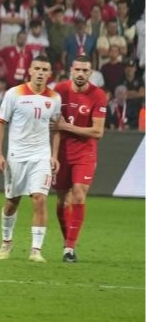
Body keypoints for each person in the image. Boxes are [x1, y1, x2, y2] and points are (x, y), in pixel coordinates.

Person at [0, 54, 61, 263]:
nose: (40, 73)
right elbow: (0, 123)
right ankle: (6, 242)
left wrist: (54, 156)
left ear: (50, 74)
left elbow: (56, 128)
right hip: (17, 156)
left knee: (40, 199)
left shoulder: (55, 98)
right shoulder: (14, 94)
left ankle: (36, 250)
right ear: (30, 70)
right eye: (37, 69)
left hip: (41, 156)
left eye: (44, 70)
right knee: (12, 201)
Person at [51, 56, 107, 262]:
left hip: (85, 152)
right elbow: (54, 126)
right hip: (62, 152)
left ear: (90, 73)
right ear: (71, 70)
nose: (81, 74)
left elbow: (98, 131)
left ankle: (69, 248)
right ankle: (68, 242)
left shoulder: (98, 95)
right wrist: (53, 155)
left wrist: (67, 127)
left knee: (79, 194)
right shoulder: (59, 90)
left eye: (85, 70)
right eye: (78, 70)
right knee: (62, 199)